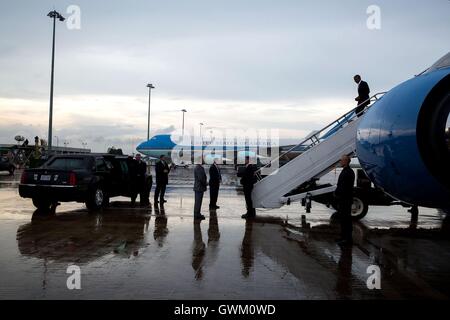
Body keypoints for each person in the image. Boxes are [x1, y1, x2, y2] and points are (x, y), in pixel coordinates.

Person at [334, 155, 355, 246]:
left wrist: (337, 193)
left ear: (346, 161)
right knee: (343, 220)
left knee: (346, 220)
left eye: (341, 160)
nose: (340, 162)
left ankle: (347, 240)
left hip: (345, 199)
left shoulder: (348, 172)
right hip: (344, 199)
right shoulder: (347, 171)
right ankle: (343, 238)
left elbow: (344, 187)